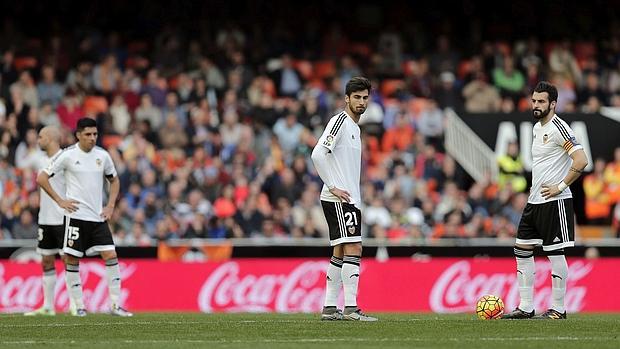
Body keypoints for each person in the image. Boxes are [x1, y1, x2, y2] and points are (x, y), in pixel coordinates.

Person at [502, 81, 588, 320]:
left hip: (555, 201)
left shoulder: (560, 128)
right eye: (534, 101)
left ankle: (559, 309)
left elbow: (581, 161)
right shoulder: (537, 127)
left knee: (555, 254)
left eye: (541, 101)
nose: (536, 105)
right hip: (534, 201)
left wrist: (560, 186)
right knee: (522, 249)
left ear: (553, 103)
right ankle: (526, 306)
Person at [37, 118, 133, 317]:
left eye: (95, 134)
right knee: (72, 259)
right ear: (78, 135)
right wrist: (60, 201)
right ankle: (79, 305)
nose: (92, 138)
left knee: (111, 256)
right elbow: (42, 178)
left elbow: (114, 181)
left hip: (98, 218)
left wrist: (111, 205)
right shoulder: (67, 155)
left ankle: (115, 305)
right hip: (75, 217)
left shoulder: (103, 156)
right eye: (88, 134)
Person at [311, 77, 377, 321]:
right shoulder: (340, 121)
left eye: (365, 97)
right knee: (354, 247)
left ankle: (330, 307)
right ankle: (350, 307)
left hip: (348, 198)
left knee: (340, 250)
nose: (361, 102)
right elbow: (318, 154)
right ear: (346, 99)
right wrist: (333, 186)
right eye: (357, 97)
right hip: (339, 198)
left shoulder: (355, 128)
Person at [25, 126, 86, 316]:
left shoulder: (66, 158)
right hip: (45, 219)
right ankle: (48, 306)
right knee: (46, 261)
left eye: (41, 137)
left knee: (69, 260)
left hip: (63, 219)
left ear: (51, 138)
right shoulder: (40, 159)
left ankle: (75, 304)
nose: (38, 140)